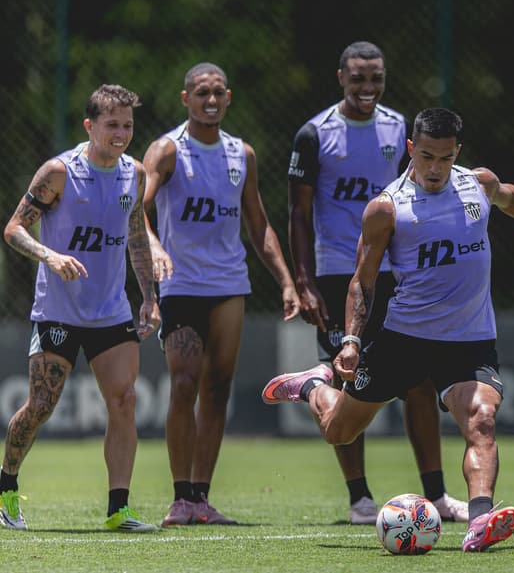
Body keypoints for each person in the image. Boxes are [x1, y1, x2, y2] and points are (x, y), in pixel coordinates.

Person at [263, 108, 514, 551]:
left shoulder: (477, 184)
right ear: (411, 149)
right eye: (427, 157)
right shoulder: (387, 207)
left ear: (458, 153)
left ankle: (479, 520)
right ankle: (315, 386)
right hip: (404, 339)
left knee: (483, 420)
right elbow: (363, 279)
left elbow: (511, 197)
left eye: (445, 158)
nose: (435, 169)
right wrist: (353, 340)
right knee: (340, 430)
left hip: (470, 339)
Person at [286, 41, 467, 524]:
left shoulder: (399, 129)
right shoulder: (315, 134)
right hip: (337, 273)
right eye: (358, 78)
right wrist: (302, 280)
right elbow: (298, 214)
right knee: (350, 381)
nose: (368, 88)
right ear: (340, 77)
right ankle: (359, 497)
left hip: (399, 274)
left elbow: (422, 195)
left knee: (421, 382)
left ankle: (438, 494)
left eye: (376, 78)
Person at [142, 62, 301, 527]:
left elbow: (258, 224)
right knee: (185, 383)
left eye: (217, 94)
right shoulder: (168, 151)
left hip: (229, 285)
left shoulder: (241, 155)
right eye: (201, 94)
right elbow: (137, 207)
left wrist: (287, 281)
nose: (210, 101)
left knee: (216, 390)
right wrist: (152, 246)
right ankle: (178, 498)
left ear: (228, 97)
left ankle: (201, 498)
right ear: (185, 98)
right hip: (181, 285)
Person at [0, 84, 159, 532]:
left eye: (128, 125)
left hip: (111, 311)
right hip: (57, 311)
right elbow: (13, 229)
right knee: (42, 405)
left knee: (124, 400)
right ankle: (6, 487)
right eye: (112, 124)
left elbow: (135, 235)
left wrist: (149, 297)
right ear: (90, 126)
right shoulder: (59, 173)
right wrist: (50, 256)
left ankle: (118, 510)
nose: (122, 133)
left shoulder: (134, 173)